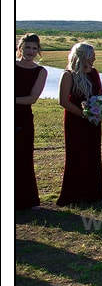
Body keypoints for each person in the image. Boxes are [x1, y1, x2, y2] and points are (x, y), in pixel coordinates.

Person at [57, 42, 102, 206]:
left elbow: (98, 95)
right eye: (90, 56)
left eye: (94, 56)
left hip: (93, 121)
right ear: (81, 56)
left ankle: (94, 193)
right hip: (76, 120)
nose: (93, 59)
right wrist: (84, 114)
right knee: (77, 154)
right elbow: (63, 101)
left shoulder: (95, 73)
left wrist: (101, 109)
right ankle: (74, 194)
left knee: (93, 154)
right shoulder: (68, 75)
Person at [15, 33, 48, 210]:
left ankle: (26, 199)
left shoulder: (41, 71)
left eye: (34, 48)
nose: (30, 51)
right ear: (20, 48)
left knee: (23, 157)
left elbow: (32, 98)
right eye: (27, 47)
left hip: (24, 118)